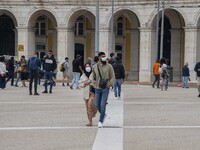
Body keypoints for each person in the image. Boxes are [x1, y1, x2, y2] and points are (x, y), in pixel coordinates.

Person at [92, 52, 115, 128]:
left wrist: (109, 85)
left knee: (102, 104)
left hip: (105, 88)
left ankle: (100, 121)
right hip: (97, 88)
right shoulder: (95, 66)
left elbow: (112, 76)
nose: (104, 57)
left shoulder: (109, 66)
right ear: (99, 58)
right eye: (102, 56)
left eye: (105, 56)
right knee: (97, 104)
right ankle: (103, 114)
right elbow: (93, 76)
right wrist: (94, 82)